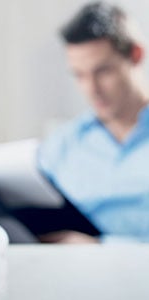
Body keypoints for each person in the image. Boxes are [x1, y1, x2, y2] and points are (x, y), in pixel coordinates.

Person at [35, 1, 149, 243]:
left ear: (136, 55)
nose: (91, 89)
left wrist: (99, 247)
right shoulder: (61, 146)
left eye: (103, 71)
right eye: (79, 75)